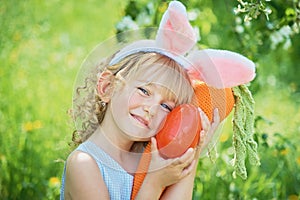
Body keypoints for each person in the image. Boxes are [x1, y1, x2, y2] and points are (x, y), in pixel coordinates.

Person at [60, 1, 258, 199]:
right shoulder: (84, 164)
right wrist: (154, 183)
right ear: (107, 87)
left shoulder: (149, 161)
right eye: (144, 91)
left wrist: (192, 148)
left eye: (166, 106)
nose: (152, 109)